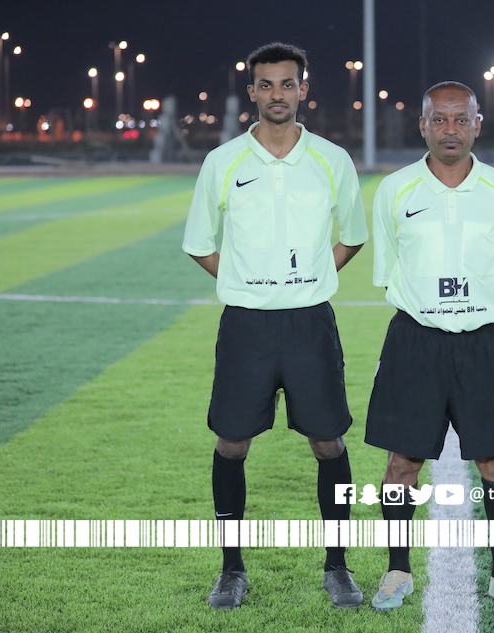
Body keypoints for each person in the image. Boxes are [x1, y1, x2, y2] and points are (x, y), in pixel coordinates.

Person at [182, 42, 368, 610]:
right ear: (253, 92)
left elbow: (352, 236)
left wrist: (310, 279)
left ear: (303, 89)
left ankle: (337, 566)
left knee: (328, 442)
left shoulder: (332, 159)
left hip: (311, 323)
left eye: (288, 83)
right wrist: (246, 282)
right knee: (232, 443)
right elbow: (199, 244)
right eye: (266, 84)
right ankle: (231, 570)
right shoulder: (223, 161)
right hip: (246, 326)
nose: (277, 94)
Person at [364, 81, 494, 611]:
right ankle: (396, 571)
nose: (450, 129)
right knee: (402, 463)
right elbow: (389, 270)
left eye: (461, 119)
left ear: (478, 124)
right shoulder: (395, 190)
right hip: (415, 340)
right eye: (439, 119)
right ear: (423, 125)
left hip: (483, 341)